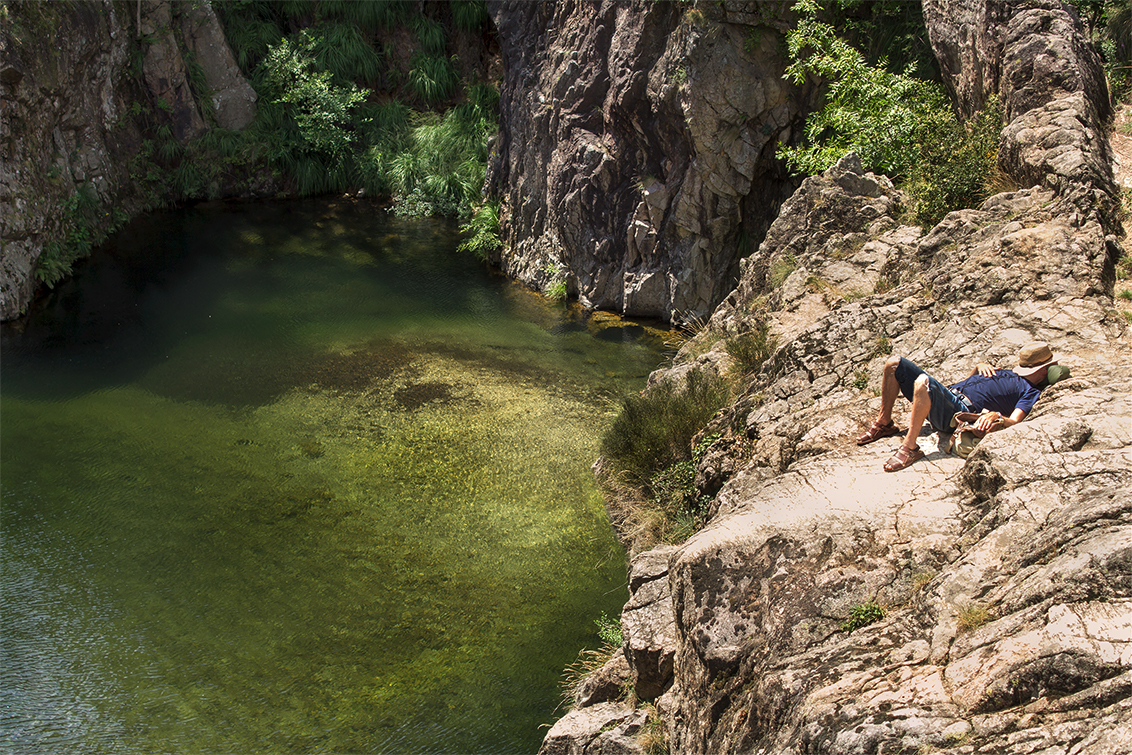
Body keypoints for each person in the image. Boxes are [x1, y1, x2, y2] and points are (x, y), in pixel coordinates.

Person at [854, 342, 1069, 472]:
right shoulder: (1007, 372)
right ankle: (885, 423)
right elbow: (967, 385)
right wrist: (977, 369)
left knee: (923, 383)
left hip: (957, 412)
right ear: (1042, 368)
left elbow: (1014, 420)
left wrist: (997, 416)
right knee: (894, 363)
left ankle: (910, 448)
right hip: (950, 396)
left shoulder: (1030, 391)